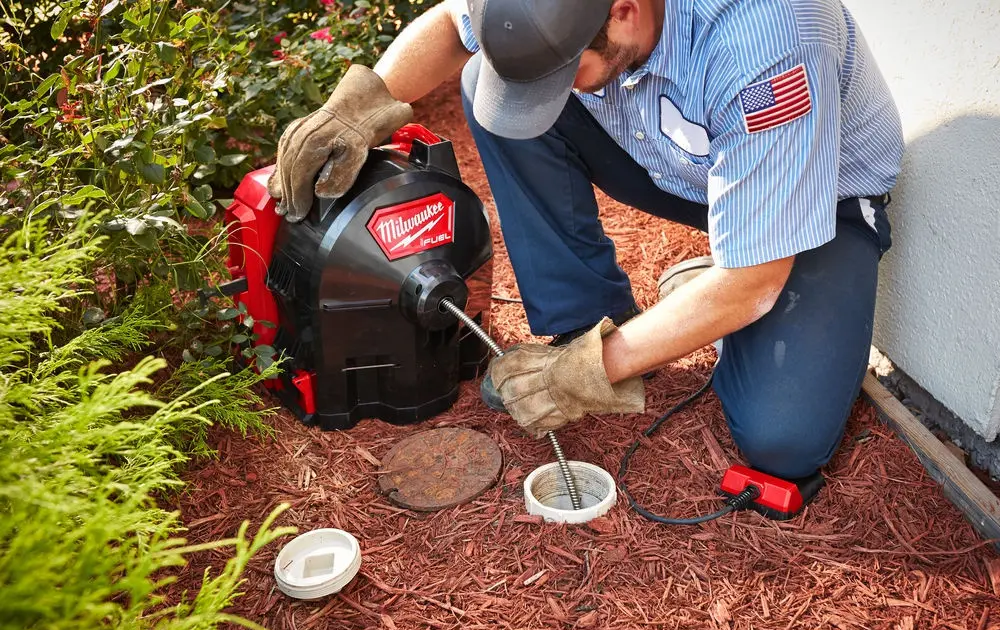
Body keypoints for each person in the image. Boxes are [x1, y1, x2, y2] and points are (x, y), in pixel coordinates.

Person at [266, 0, 904, 481]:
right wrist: (358, 107)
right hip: (684, 162)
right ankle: (587, 321)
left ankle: (706, 300)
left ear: (622, 11)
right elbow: (452, 26)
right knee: (489, 83)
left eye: (565, 74)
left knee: (782, 441)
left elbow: (753, 281)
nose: (544, 95)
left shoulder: (768, 44)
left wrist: (589, 373)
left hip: (816, 202)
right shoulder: (544, 10)